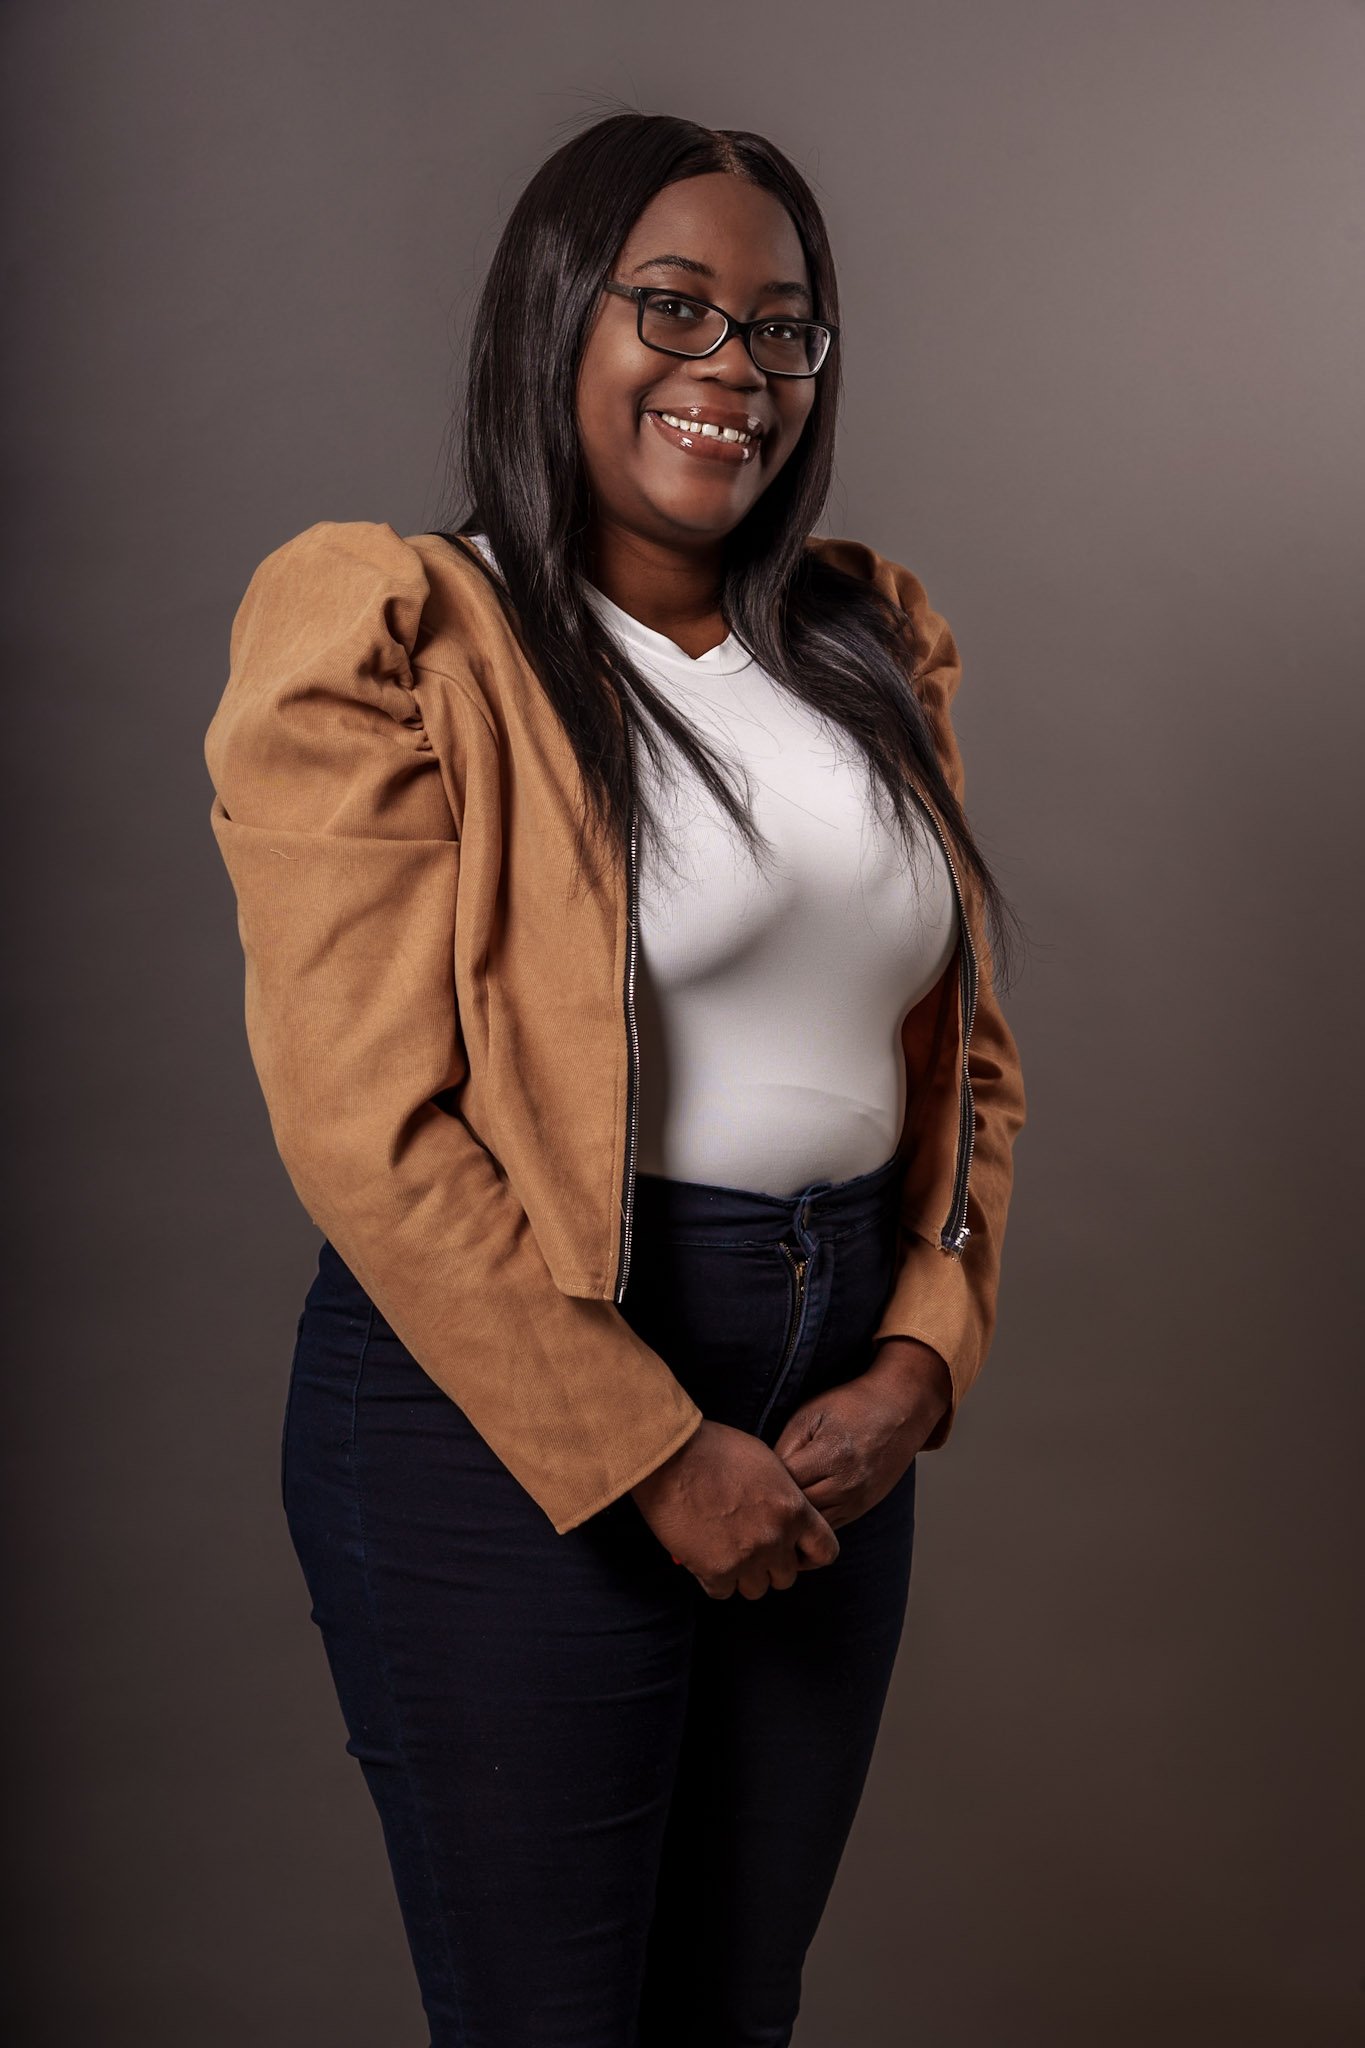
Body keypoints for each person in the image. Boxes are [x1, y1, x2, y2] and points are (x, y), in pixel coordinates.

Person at [205, 111, 1027, 2048]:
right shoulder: (406, 631)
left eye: (779, 328)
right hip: (504, 1401)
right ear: (552, 317)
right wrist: (646, 1450)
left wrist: (922, 1350)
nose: (729, 368)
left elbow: (962, 1060)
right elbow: (366, 1120)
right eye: (671, 306)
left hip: (833, 1404)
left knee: (728, 2007)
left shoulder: (863, 641)